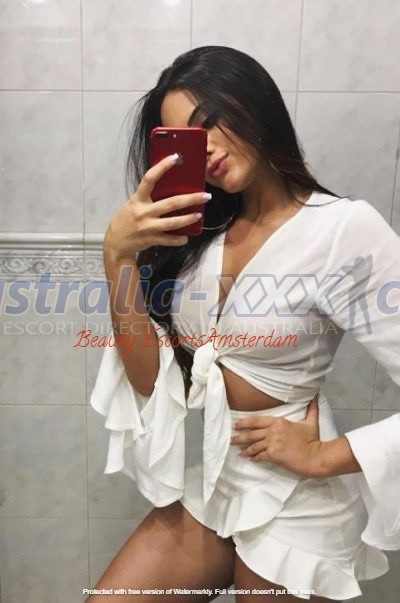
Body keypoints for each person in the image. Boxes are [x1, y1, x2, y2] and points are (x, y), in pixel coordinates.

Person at [87, 46, 399, 602]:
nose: (203, 148)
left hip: (299, 501)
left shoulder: (344, 230)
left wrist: (323, 456)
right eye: (184, 139)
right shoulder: (201, 235)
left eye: (210, 121)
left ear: (255, 103)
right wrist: (119, 256)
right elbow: (151, 382)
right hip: (216, 479)